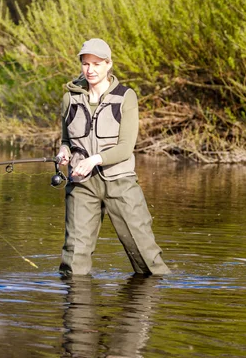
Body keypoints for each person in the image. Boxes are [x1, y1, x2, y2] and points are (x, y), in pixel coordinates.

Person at [56, 38, 171, 277]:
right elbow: (66, 140)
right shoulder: (70, 98)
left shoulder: (125, 97)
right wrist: (63, 153)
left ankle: (151, 302)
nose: (90, 70)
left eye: (97, 64)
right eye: (86, 64)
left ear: (109, 64)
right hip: (80, 184)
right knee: (73, 260)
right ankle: (77, 309)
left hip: (120, 182)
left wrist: (94, 159)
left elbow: (126, 147)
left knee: (145, 256)